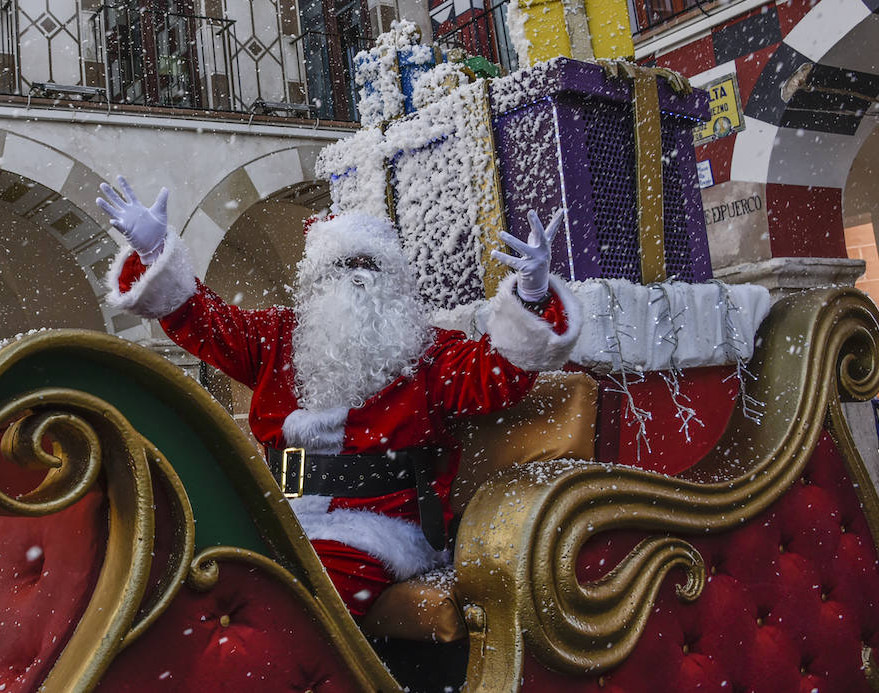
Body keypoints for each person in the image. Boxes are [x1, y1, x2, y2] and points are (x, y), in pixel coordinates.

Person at [98, 178, 580, 618]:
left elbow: (497, 375)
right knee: (182, 569)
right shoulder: (276, 338)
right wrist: (154, 248)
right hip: (279, 513)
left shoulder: (428, 352)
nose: (356, 277)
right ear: (314, 279)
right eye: (341, 265)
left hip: (383, 527)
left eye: (369, 265)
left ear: (394, 281)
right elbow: (203, 321)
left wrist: (533, 297)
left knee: (295, 601)